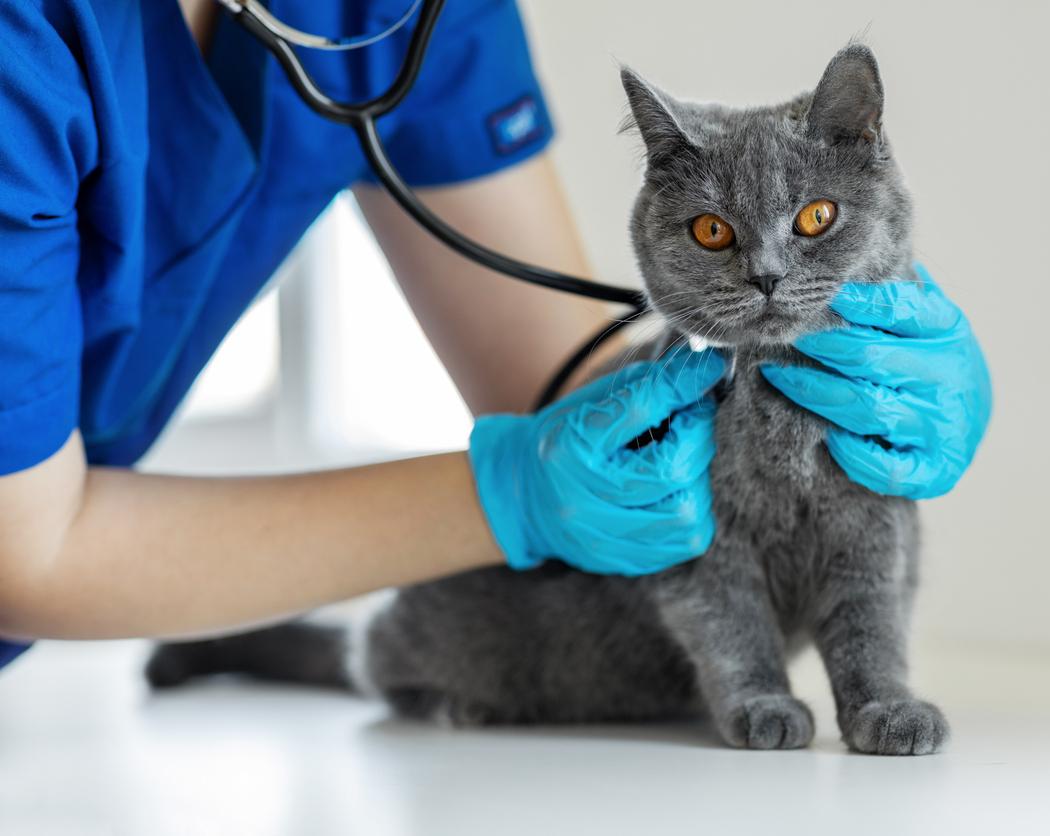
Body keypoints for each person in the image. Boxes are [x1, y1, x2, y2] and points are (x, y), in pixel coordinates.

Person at [0, 0, 991, 671]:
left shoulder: (406, 16)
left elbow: (560, 383)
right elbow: (22, 551)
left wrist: (812, 385)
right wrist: (513, 489)